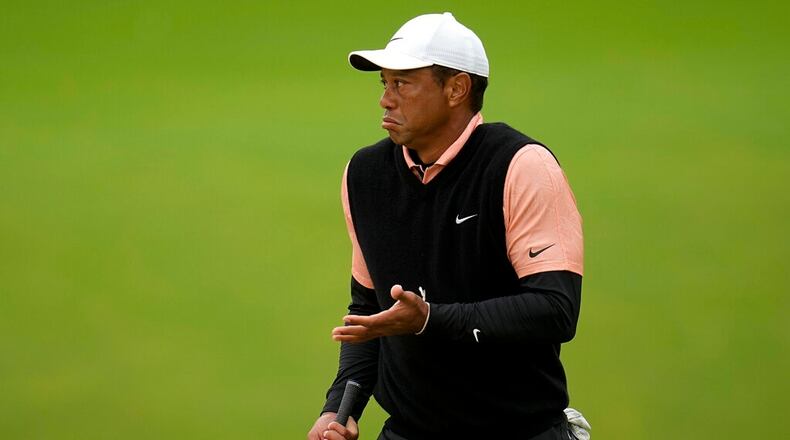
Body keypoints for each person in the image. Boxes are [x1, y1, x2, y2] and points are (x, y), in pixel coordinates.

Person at [308, 12, 588, 440]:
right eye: (384, 83)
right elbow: (369, 313)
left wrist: (431, 320)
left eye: (402, 83)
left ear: (456, 88)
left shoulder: (520, 166)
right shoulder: (365, 175)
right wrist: (338, 410)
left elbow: (555, 309)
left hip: (520, 431)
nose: (386, 98)